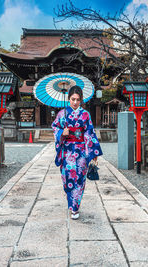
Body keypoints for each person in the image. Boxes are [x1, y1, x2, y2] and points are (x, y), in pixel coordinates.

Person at [52, 85, 103, 220]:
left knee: (79, 179)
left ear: (81, 100)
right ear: (69, 99)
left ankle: (75, 208)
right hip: (67, 151)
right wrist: (62, 132)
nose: (75, 102)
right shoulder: (62, 114)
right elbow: (55, 127)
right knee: (67, 178)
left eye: (78, 100)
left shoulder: (85, 115)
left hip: (81, 151)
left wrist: (93, 152)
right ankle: (71, 202)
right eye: (73, 99)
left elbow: (89, 132)